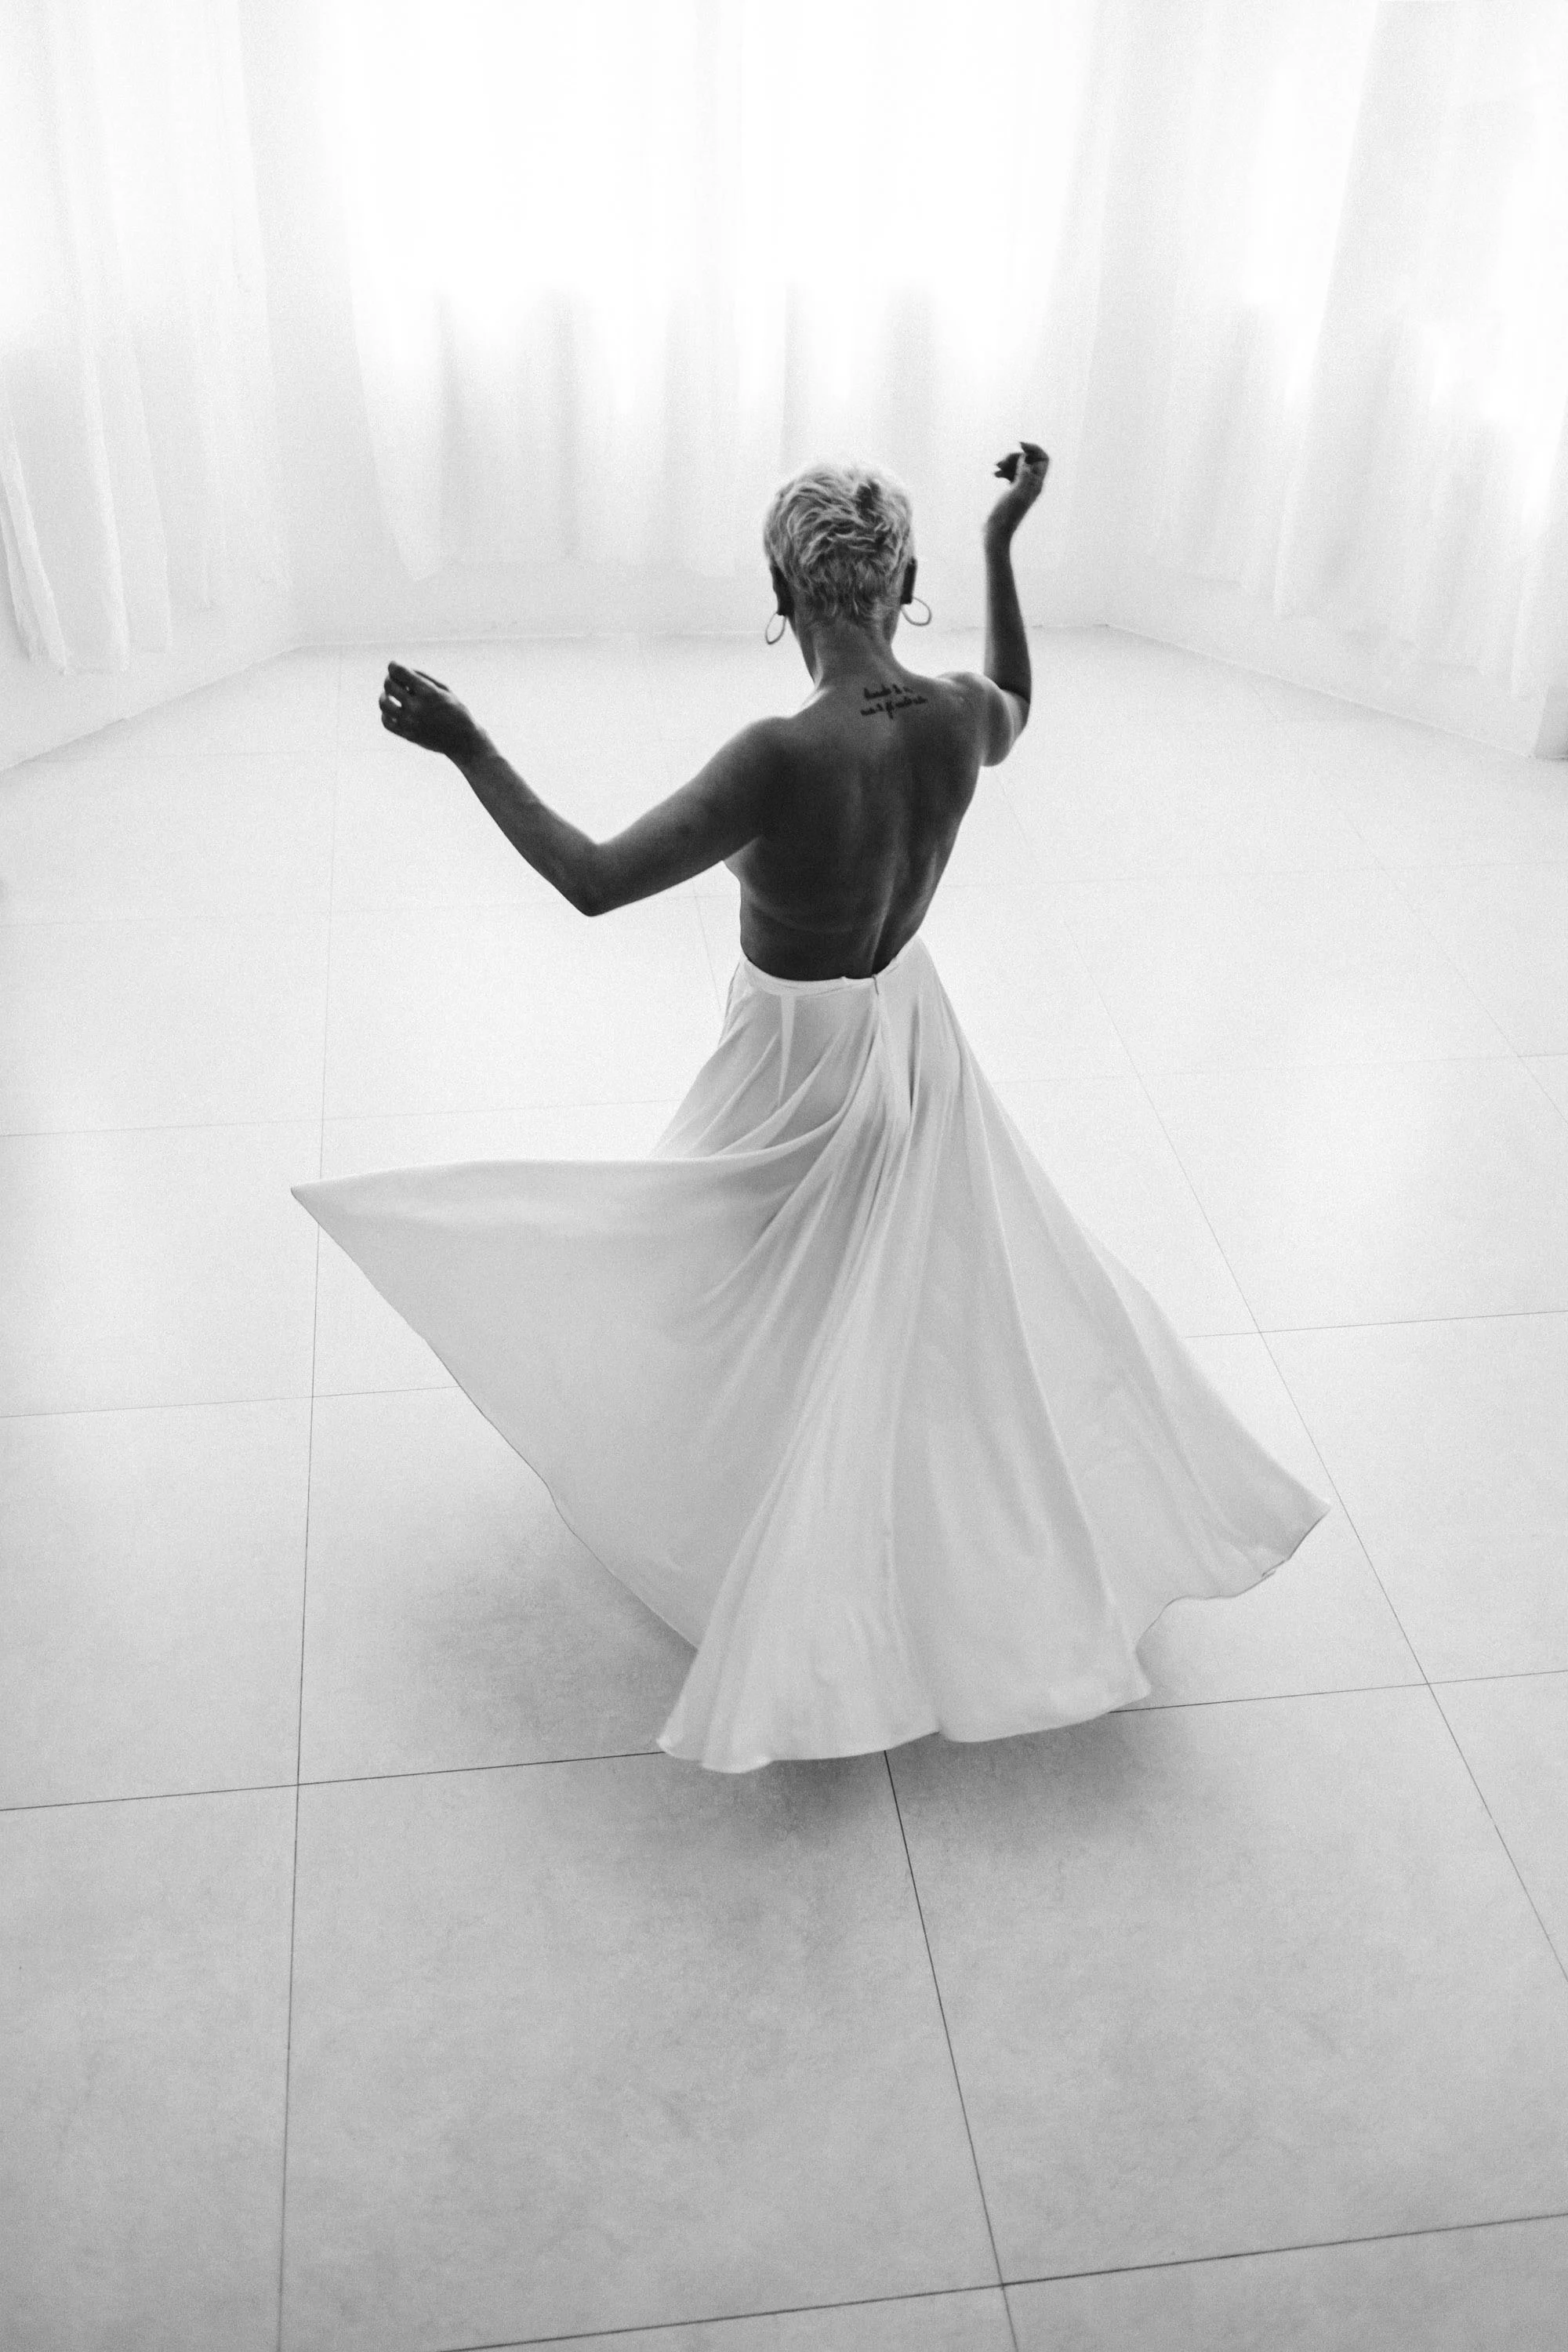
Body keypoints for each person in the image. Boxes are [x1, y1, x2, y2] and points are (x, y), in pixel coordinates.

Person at [294, 448, 1330, 1773]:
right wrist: (1004, 538)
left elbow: (596, 880)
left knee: (723, 1258)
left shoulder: (779, 757)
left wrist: (470, 745)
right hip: (906, 1034)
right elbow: (1018, 689)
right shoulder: (958, 714)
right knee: (889, 1273)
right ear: (905, 579)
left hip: (792, 1060)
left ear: (783, 587)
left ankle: (773, 1487)